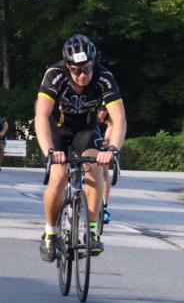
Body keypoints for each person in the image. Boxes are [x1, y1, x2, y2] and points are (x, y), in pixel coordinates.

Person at [35, 34, 126, 261]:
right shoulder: (54, 75)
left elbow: (119, 119)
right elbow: (41, 116)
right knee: (58, 177)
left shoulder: (104, 78)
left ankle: (92, 233)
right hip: (57, 130)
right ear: (67, 66)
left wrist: (113, 150)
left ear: (93, 63)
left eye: (86, 68)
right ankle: (50, 232)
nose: (82, 75)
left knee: (95, 169)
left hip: (85, 131)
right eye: (76, 70)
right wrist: (49, 152)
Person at [96, 108, 113, 224]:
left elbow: (109, 140)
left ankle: (104, 206)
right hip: (88, 143)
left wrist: (108, 143)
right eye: (101, 109)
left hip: (103, 147)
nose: (103, 112)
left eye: (105, 109)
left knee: (105, 174)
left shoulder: (110, 120)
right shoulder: (90, 117)